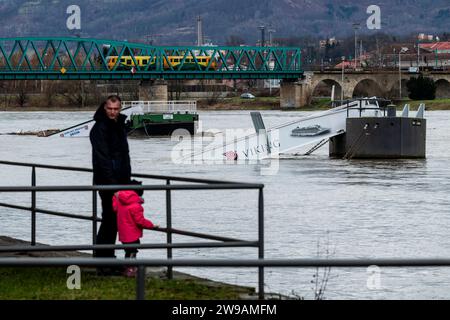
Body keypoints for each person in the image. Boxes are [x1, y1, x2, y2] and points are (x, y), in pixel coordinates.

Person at [90, 95, 131, 262]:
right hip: (107, 182)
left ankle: (106, 258)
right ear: (104, 108)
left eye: (116, 109)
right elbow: (103, 159)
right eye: (110, 109)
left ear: (120, 109)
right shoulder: (99, 129)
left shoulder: (119, 126)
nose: (113, 112)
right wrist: (113, 187)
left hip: (120, 181)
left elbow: (124, 155)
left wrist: (127, 181)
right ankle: (104, 259)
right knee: (109, 220)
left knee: (114, 221)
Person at [112, 181, 158, 277]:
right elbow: (140, 221)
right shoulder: (136, 206)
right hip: (132, 234)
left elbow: (115, 207)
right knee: (132, 251)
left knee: (128, 251)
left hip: (123, 233)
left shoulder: (120, 200)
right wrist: (152, 225)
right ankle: (130, 270)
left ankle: (129, 268)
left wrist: (117, 196)